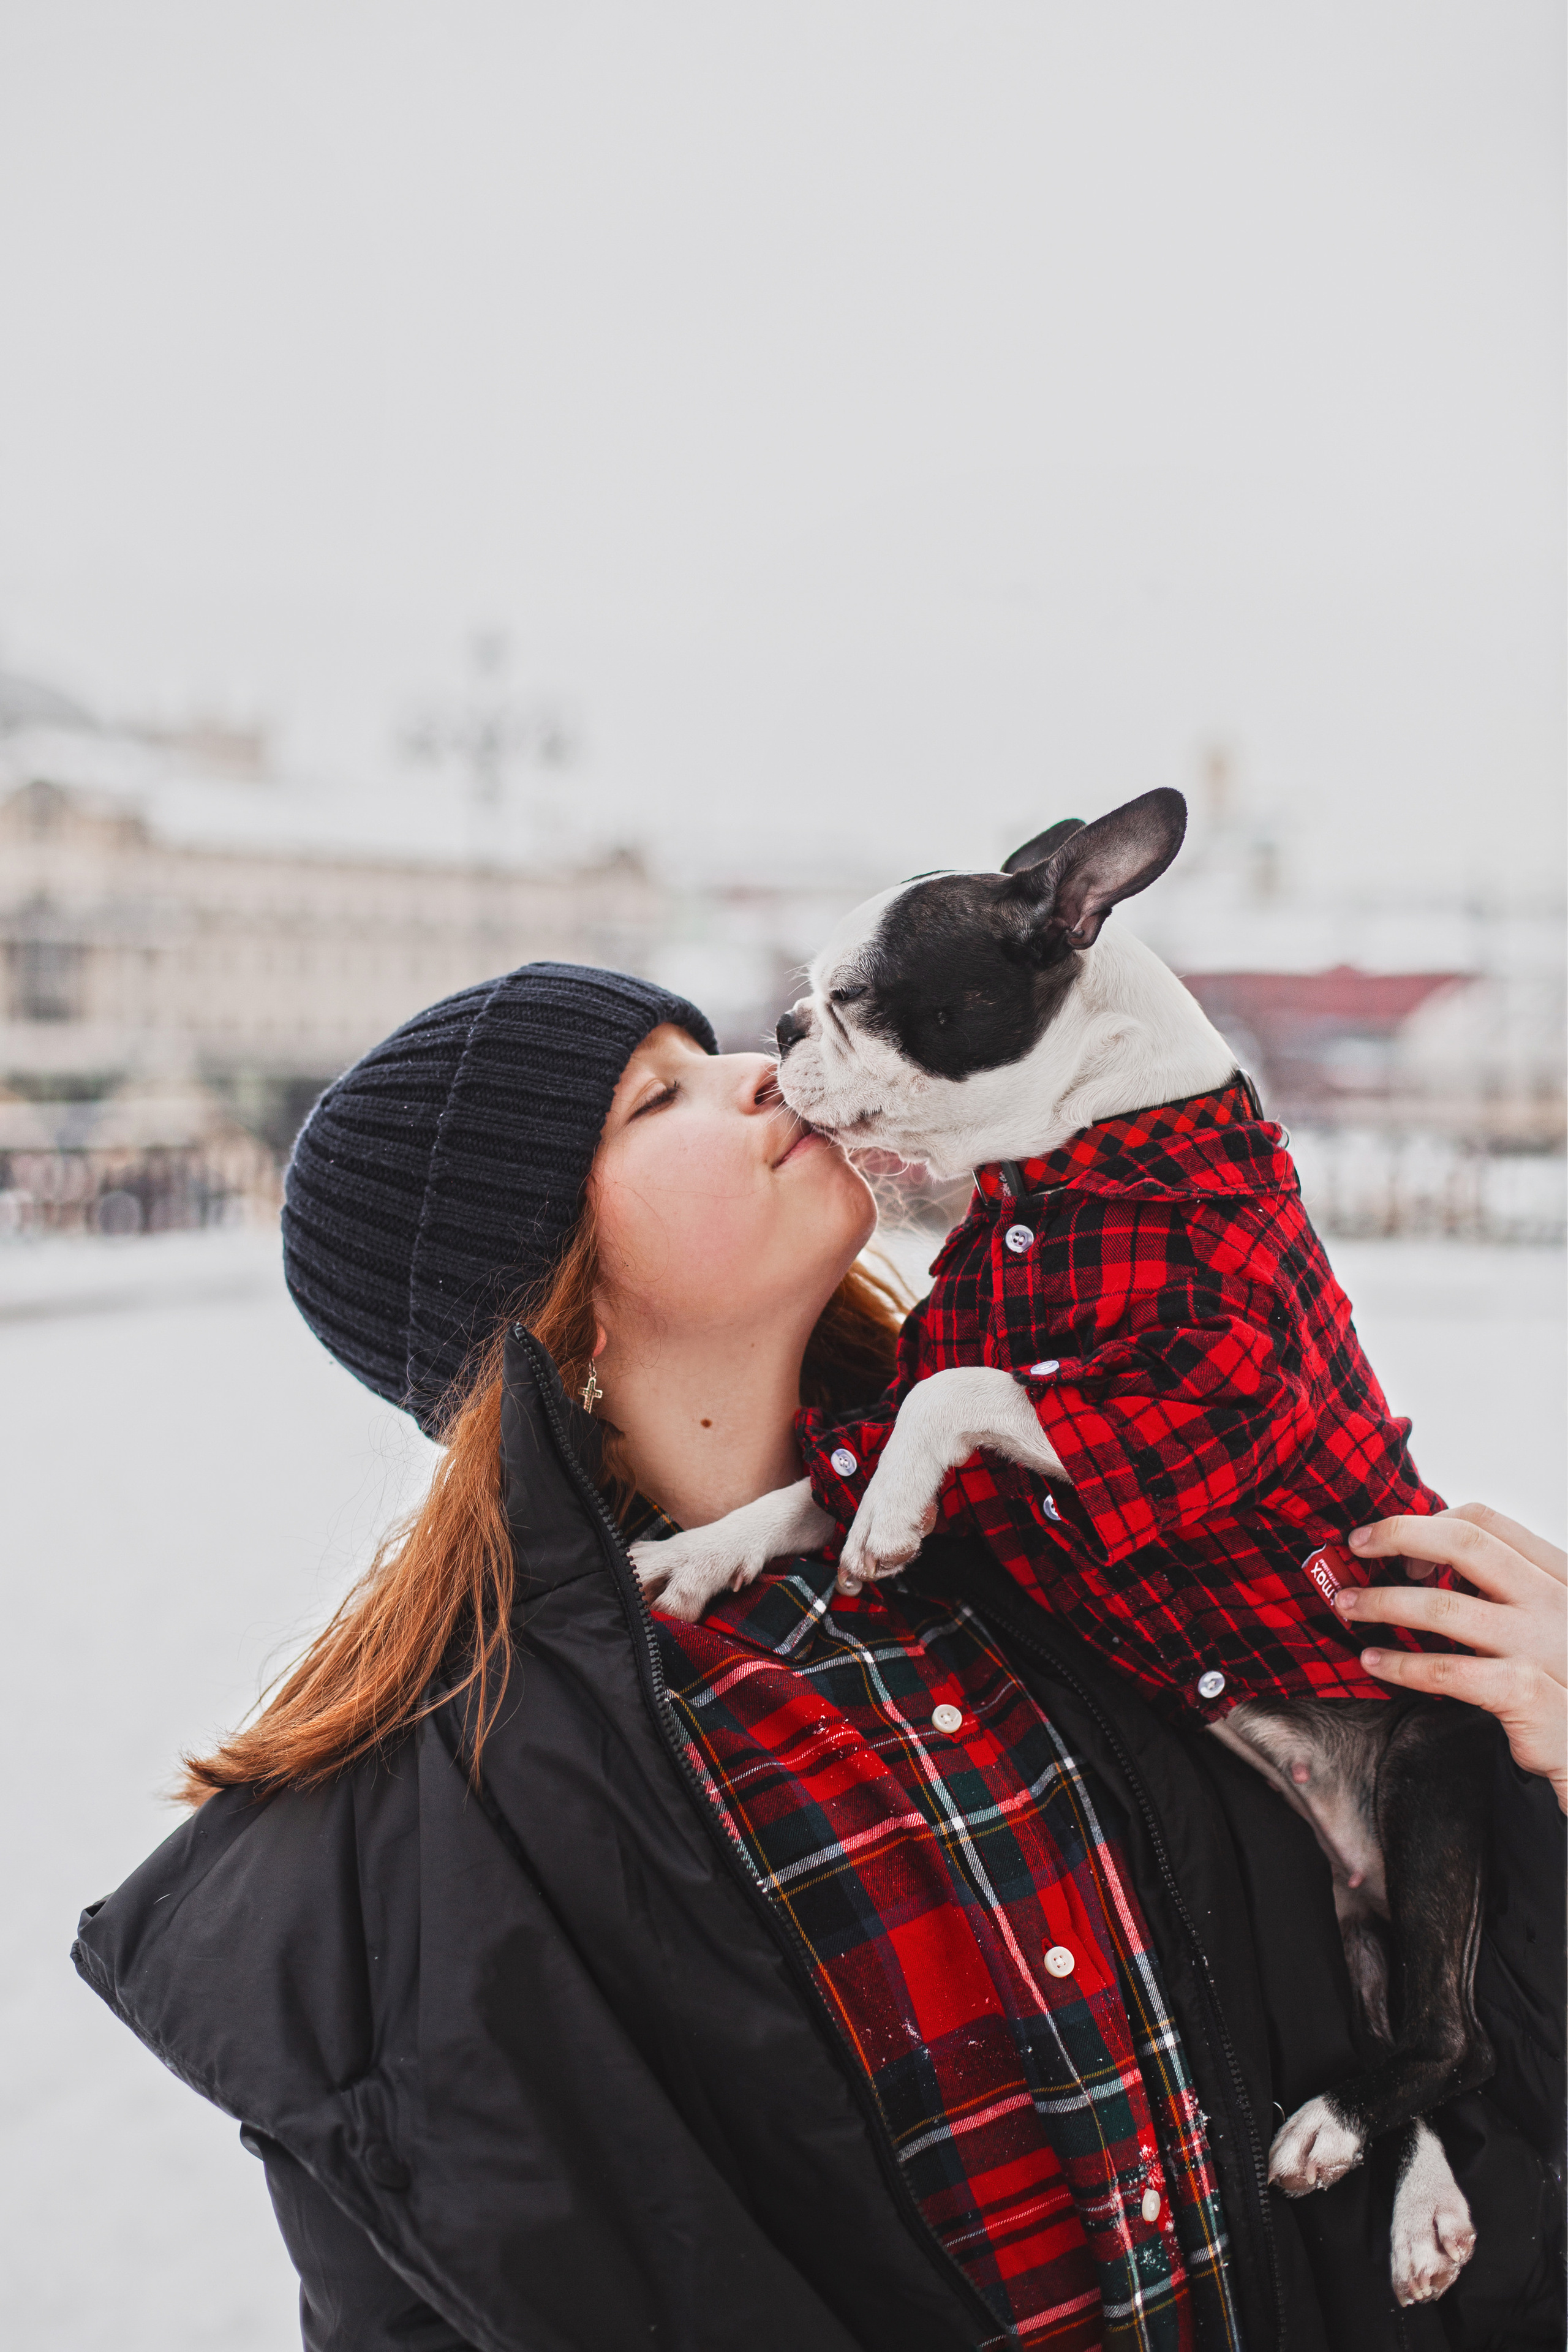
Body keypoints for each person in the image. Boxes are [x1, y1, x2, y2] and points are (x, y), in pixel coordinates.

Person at [72, 965, 1564, 2352]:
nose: (759, 1072)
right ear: (557, 1294)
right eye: (655, 1098)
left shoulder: (1086, 1537)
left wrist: (1543, 1775)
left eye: (704, 1047)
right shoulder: (445, 1849)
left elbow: (1474, 2064)